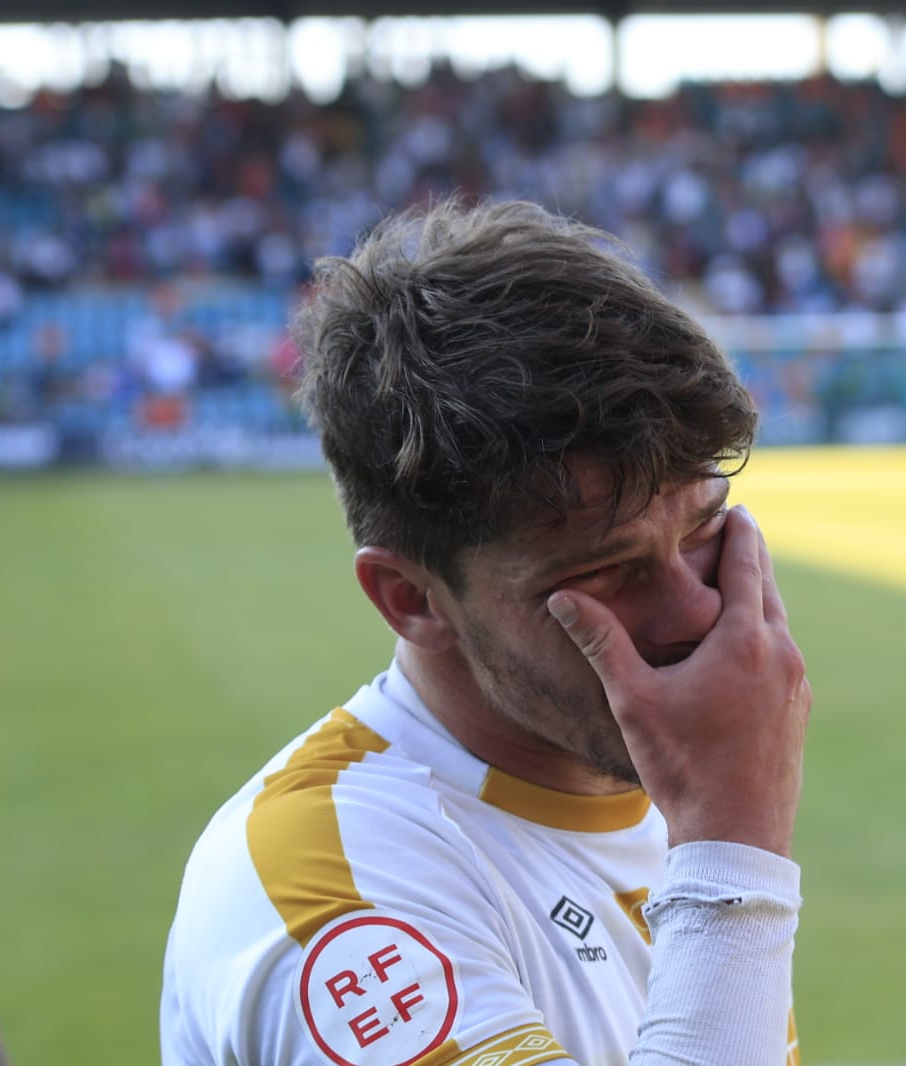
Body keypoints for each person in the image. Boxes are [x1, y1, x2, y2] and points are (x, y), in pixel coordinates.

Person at [160, 199, 812, 1066]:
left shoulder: (658, 797)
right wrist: (736, 854)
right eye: (604, 571)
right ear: (411, 599)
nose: (696, 612)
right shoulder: (333, 887)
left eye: (703, 526)